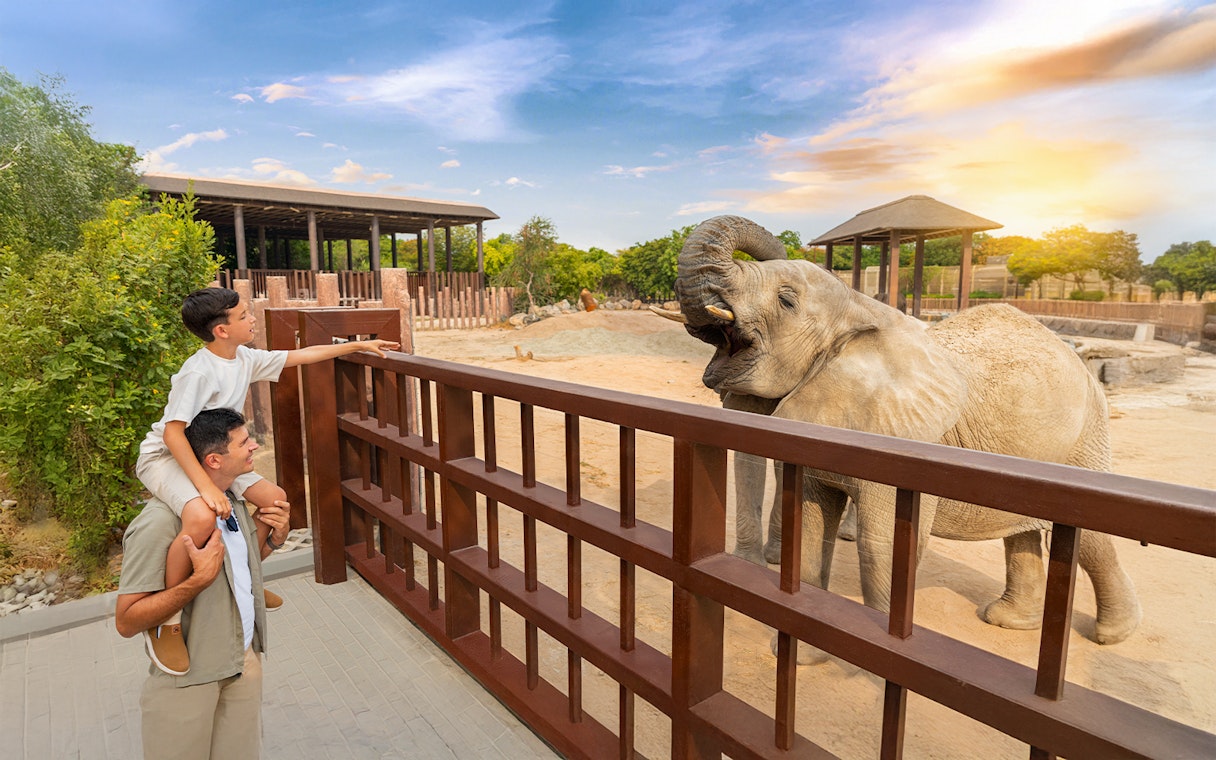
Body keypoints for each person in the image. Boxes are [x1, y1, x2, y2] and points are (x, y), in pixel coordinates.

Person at [135, 286, 398, 674]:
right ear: (221, 330)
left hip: (218, 457)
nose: (251, 318)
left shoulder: (242, 358)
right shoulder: (198, 371)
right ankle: (167, 621)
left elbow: (299, 356)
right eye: (243, 316)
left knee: (275, 499)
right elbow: (174, 433)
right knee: (200, 518)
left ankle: (248, 579)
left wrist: (358, 347)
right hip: (168, 458)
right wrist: (207, 489)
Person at [116, 408, 288, 760]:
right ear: (213, 459)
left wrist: (270, 543)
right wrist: (196, 582)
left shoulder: (235, 505)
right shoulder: (160, 524)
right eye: (244, 443)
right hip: (188, 682)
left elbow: (232, 570)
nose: (254, 446)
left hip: (242, 664)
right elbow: (127, 620)